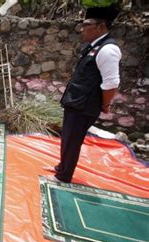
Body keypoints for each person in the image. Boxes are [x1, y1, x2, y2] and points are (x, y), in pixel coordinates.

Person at [44, 5, 121, 183]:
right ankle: (61, 168)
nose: (82, 28)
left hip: (85, 105)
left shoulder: (108, 50)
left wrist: (105, 104)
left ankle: (63, 176)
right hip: (76, 102)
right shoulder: (93, 46)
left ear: (101, 26)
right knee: (68, 138)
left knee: (73, 142)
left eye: (86, 24)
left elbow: (111, 83)